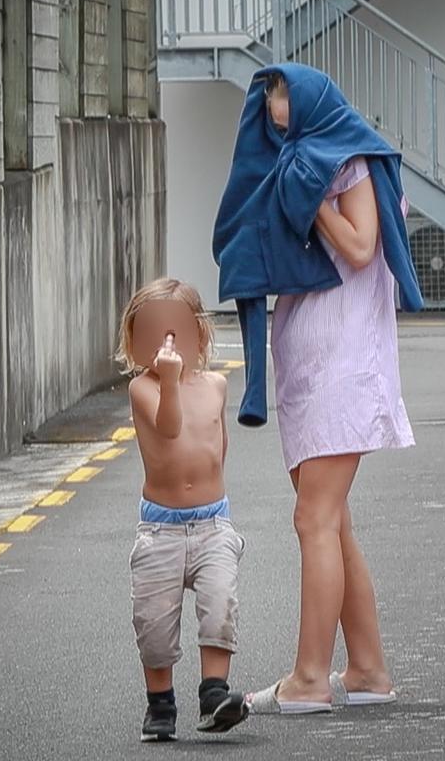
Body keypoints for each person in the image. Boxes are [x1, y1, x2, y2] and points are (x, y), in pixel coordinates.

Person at [214, 65, 421, 714]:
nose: (273, 105)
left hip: (346, 357)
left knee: (314, 518)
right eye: (267, 95)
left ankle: (310, 678)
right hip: (307, 355)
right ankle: (366, 672)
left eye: (281, 93)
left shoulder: (349, 157)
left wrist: (316, 199)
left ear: (307, 98)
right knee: (334, 521)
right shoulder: (299, 156)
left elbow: (362, 247)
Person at [116, 278, 250, 741]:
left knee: (220, 608)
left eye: (176, 331)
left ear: (198, 335)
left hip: (213, 522)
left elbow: (218, 444)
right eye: (152, 332)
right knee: (154, 622)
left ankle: (214, 693)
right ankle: (160, 704)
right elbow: (169, 430)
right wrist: (169, 381)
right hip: (161, 530)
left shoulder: (215, 385)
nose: (166, 341)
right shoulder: (144, 388)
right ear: (134, 342)